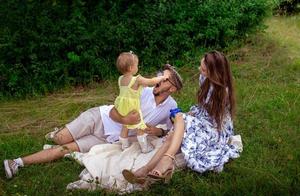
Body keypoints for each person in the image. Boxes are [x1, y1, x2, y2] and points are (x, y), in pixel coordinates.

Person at [3, 64, 183, 179]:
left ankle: (16, 162)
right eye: (161, 74)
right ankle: (58, 132)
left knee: (62, 149)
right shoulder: (141, 90)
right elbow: (114, 112)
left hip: (106, 139)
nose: (159, 78)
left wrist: (157, 131)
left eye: (165, 78)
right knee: (59, 139)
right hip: (100, 118)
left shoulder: (171, 106)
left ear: (172, 88)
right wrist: (125, 119)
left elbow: (168, 130)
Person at [122, 51, 241, 184]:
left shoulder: (222, 92)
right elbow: (202, 107)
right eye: (200, 66)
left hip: (214, 129)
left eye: (203, 69)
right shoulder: (204, 78)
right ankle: (147, 170)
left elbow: (214, 120)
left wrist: (188, 119)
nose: (199, 70)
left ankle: (167, 160)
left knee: (179, 117)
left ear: (213, 72)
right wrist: (191, 115)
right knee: (173, 134)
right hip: (202, 120)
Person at [113, 51, 169, 153]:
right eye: (137, 65)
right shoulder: (136, 79)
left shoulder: (120, 79)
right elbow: (151, 81)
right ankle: (144, 147)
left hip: (121, 105)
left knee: (125, 125)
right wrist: (162, 77)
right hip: (132, 106)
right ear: (131, 68)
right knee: (140, 125)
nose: (137, 67)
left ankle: (124, 145)